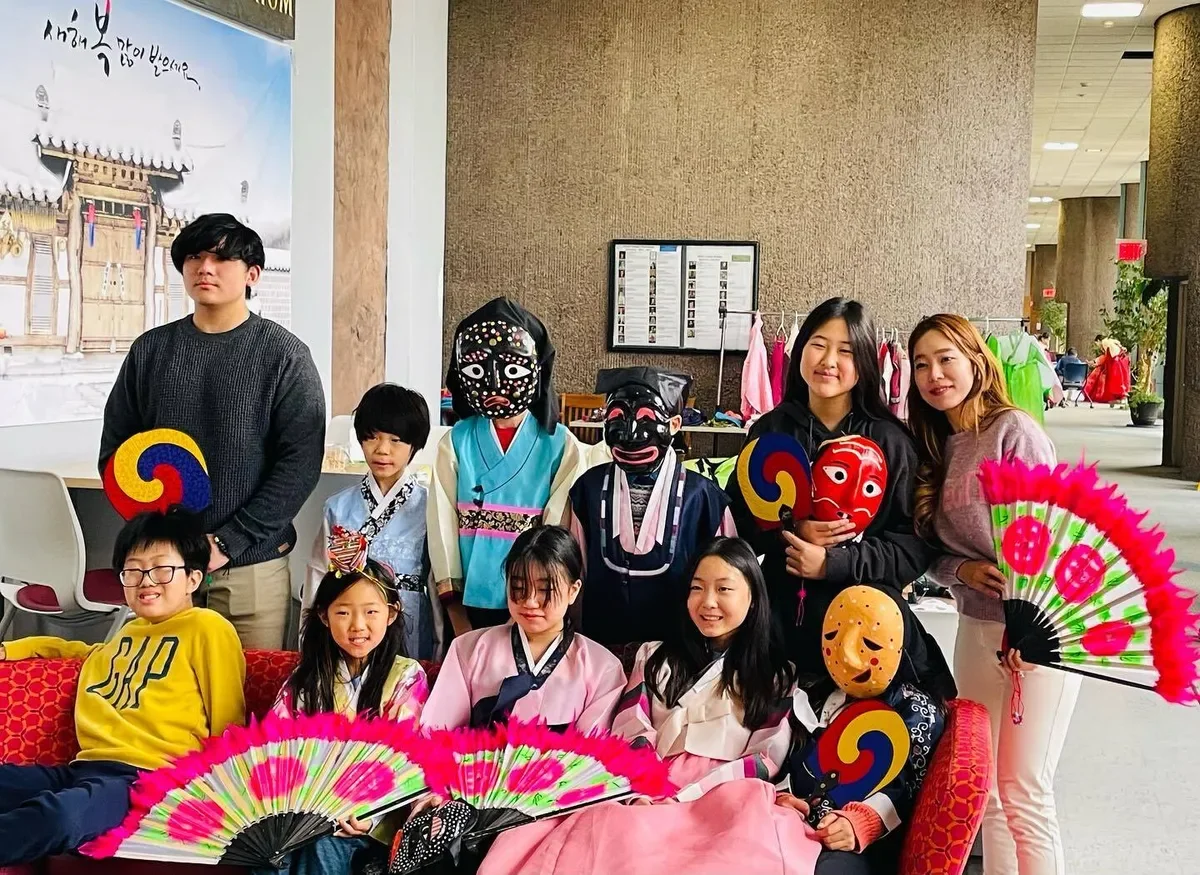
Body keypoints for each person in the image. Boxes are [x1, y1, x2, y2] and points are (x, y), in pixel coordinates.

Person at [476, 538, 814, 875]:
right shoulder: (653, 657)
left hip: (725, 793)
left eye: (724, 589)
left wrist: (692, 794)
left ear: (753, 598)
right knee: (594, 836)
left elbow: (765, 757)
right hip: (643, 784)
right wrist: (644, 785)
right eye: (697, 588)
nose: (708, 602)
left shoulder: (777, 675)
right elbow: (631, 726)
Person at [99, 214, 326, 650]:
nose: (205, 267)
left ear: (253, 274)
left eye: (222, 258)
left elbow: (299, 466)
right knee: (164, 700)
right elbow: (117, 451)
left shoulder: (285, 356)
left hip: (248, 567)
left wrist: (226, 542)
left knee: (248, 701)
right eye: (195, 257)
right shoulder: (150, 350)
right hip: (164, 570)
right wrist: (162, 544)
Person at [909, 313, 1079, 875]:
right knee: (992, 796)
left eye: (946, 358)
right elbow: (927, 550)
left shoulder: (1014, 432)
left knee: (1026, 788)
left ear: (977, 360)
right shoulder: (936, 446)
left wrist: (1028, 631)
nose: (935, 374)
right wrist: (960, 570)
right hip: (975, 626)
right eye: (922, 364)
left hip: (1040, 630)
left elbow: (1049, 538)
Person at [0, 508, 245, 865]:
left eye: (162, 569)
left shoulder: (207, 627)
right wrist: (10, 649)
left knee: (60, 817)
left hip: (146, 781)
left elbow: (229, 722)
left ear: (193, 578)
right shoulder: (127, 633)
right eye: (133, 570)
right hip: (82, 770)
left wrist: (217, 799)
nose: (146, 581)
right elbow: (86, 654)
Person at [724, 297, 933, 675]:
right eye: (818, 344)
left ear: (866, 362)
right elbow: (738, 524)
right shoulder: (770, 431)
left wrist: (833, 563)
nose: (828, 361)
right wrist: (790, 529)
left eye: (846, 350)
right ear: (800, 349)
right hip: (779, 623)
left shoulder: (891, 441)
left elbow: (913, 550)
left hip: (865, 633)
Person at [429, 298, 587, 635]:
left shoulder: (560, 445)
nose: (496, 381)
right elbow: (442, 525)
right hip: (467, 598)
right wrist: (454, 607)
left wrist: (535, 599)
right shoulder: (454, 442)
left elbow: (558, 528)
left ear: (538, 369)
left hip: (533, 602)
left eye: (513, 369)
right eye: (476, 369)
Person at [267, 554, 428, 875]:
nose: (357, 625)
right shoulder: (306, 679)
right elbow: (273, 745)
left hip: (368, 817)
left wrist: (370, 816)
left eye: (371, 612)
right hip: (303, 806)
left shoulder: (406, 676)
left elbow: (403, 759)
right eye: (343, 612)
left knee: (324, 846)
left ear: (392, 613)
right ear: (325, 617)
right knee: (272, 851)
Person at [776, 586, 951, 875]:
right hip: (793, 825)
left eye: (869, 644)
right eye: (833, 637)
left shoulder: (915, 710)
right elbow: (788, 754)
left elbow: (910, 788)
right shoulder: (815, 692)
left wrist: (861, 823)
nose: (849, 656)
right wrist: (786, 795)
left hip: (860, 846)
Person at [566, 367, 734, 648]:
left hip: (680, 652)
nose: (630, 435)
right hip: (598, 650)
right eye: (617, 418)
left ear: (675, 424)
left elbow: (729, 581)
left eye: (646, 419)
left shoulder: (704, 499)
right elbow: (572, 571)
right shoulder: (587, 491)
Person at [420, 525, 626, 733]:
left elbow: (596, 753)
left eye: (546, 590)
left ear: (573, 591)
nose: (529, 601)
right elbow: (438, 732)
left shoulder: (602, 667)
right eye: (519, 588)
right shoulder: (468, 649)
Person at [307, 383, 441, 660]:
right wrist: (310, 643)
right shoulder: (337, 508)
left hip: (408, 620)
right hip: (351, 625)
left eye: (396, 440)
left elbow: (436, 581)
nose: (382, 450)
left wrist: (440, 644)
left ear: (414, 444)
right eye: (373, 437)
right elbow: (318, 576)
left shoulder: (429, 507)